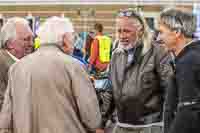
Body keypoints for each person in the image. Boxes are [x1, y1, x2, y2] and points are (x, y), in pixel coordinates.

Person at [0, 16, 103, 133]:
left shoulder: (16, 68)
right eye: (73, 38)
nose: (74, 44)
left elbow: (6, 120)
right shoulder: (74, 66)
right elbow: (92, 118)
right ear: (64, 40)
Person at [109, 8, 173, 133]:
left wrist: (168, 124)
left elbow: (170, 90)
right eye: (119, 31)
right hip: (122, 125)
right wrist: (101, 121)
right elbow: (110, 91)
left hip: (151, 126)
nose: (122, 36)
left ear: (140, 30)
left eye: (127, 31)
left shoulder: (158, 52)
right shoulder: (117, 54)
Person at [157, 8, 200, 133]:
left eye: (161, 32)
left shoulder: (189, 61)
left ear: (176, 32)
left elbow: (188, 110)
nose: (158, 38)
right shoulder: (192, 56)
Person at [0, 17, 34, 110]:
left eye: (32, 39)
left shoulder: (22, 63)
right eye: (26, 39)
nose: (32, 44)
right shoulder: (2, 65)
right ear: (10, 43)